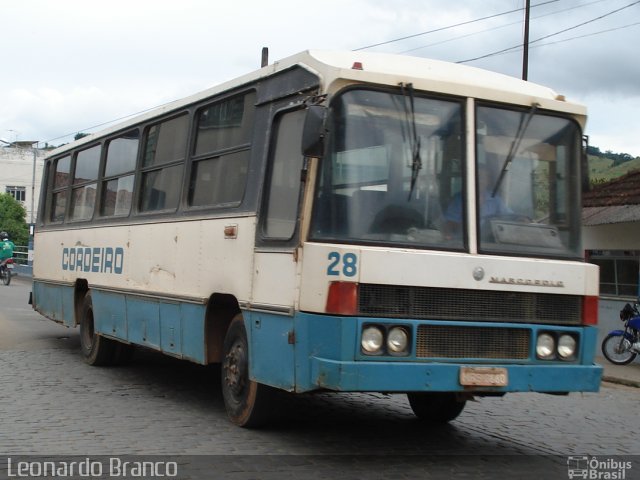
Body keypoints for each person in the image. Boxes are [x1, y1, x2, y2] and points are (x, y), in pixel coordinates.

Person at [443, 164, 511, 239]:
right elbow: (449, 224)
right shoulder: (459, 199)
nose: (480, 180)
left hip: (490, 243)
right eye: (477, 177)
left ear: (488, 181)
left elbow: (509, 216)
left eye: (483, 177)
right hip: (464, 242)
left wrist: (521, 219)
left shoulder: (495, 199)